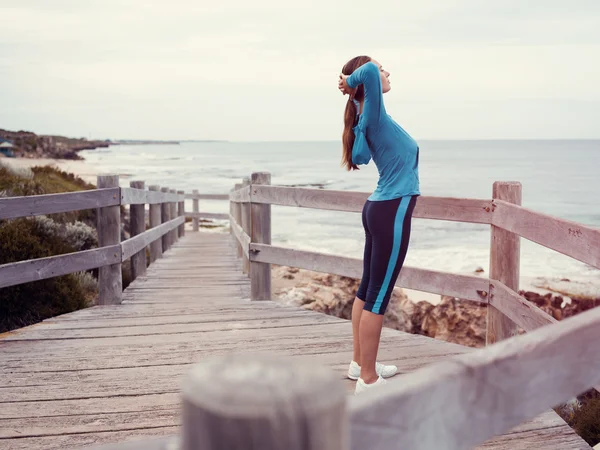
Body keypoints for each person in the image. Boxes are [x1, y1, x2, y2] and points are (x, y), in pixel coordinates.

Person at [338, 56, 420, 394]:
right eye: (383, 66)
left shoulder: (367, 115)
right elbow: (368, 72)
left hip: (379, 207)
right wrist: (348, 80)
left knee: (367, 289)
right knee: (378, 295)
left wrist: (353, 90)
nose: (386, 72)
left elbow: (360, 157)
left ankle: (360, 364)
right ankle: (368, 381)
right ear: (364, 85)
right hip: (391, 208)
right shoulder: (370, 110)